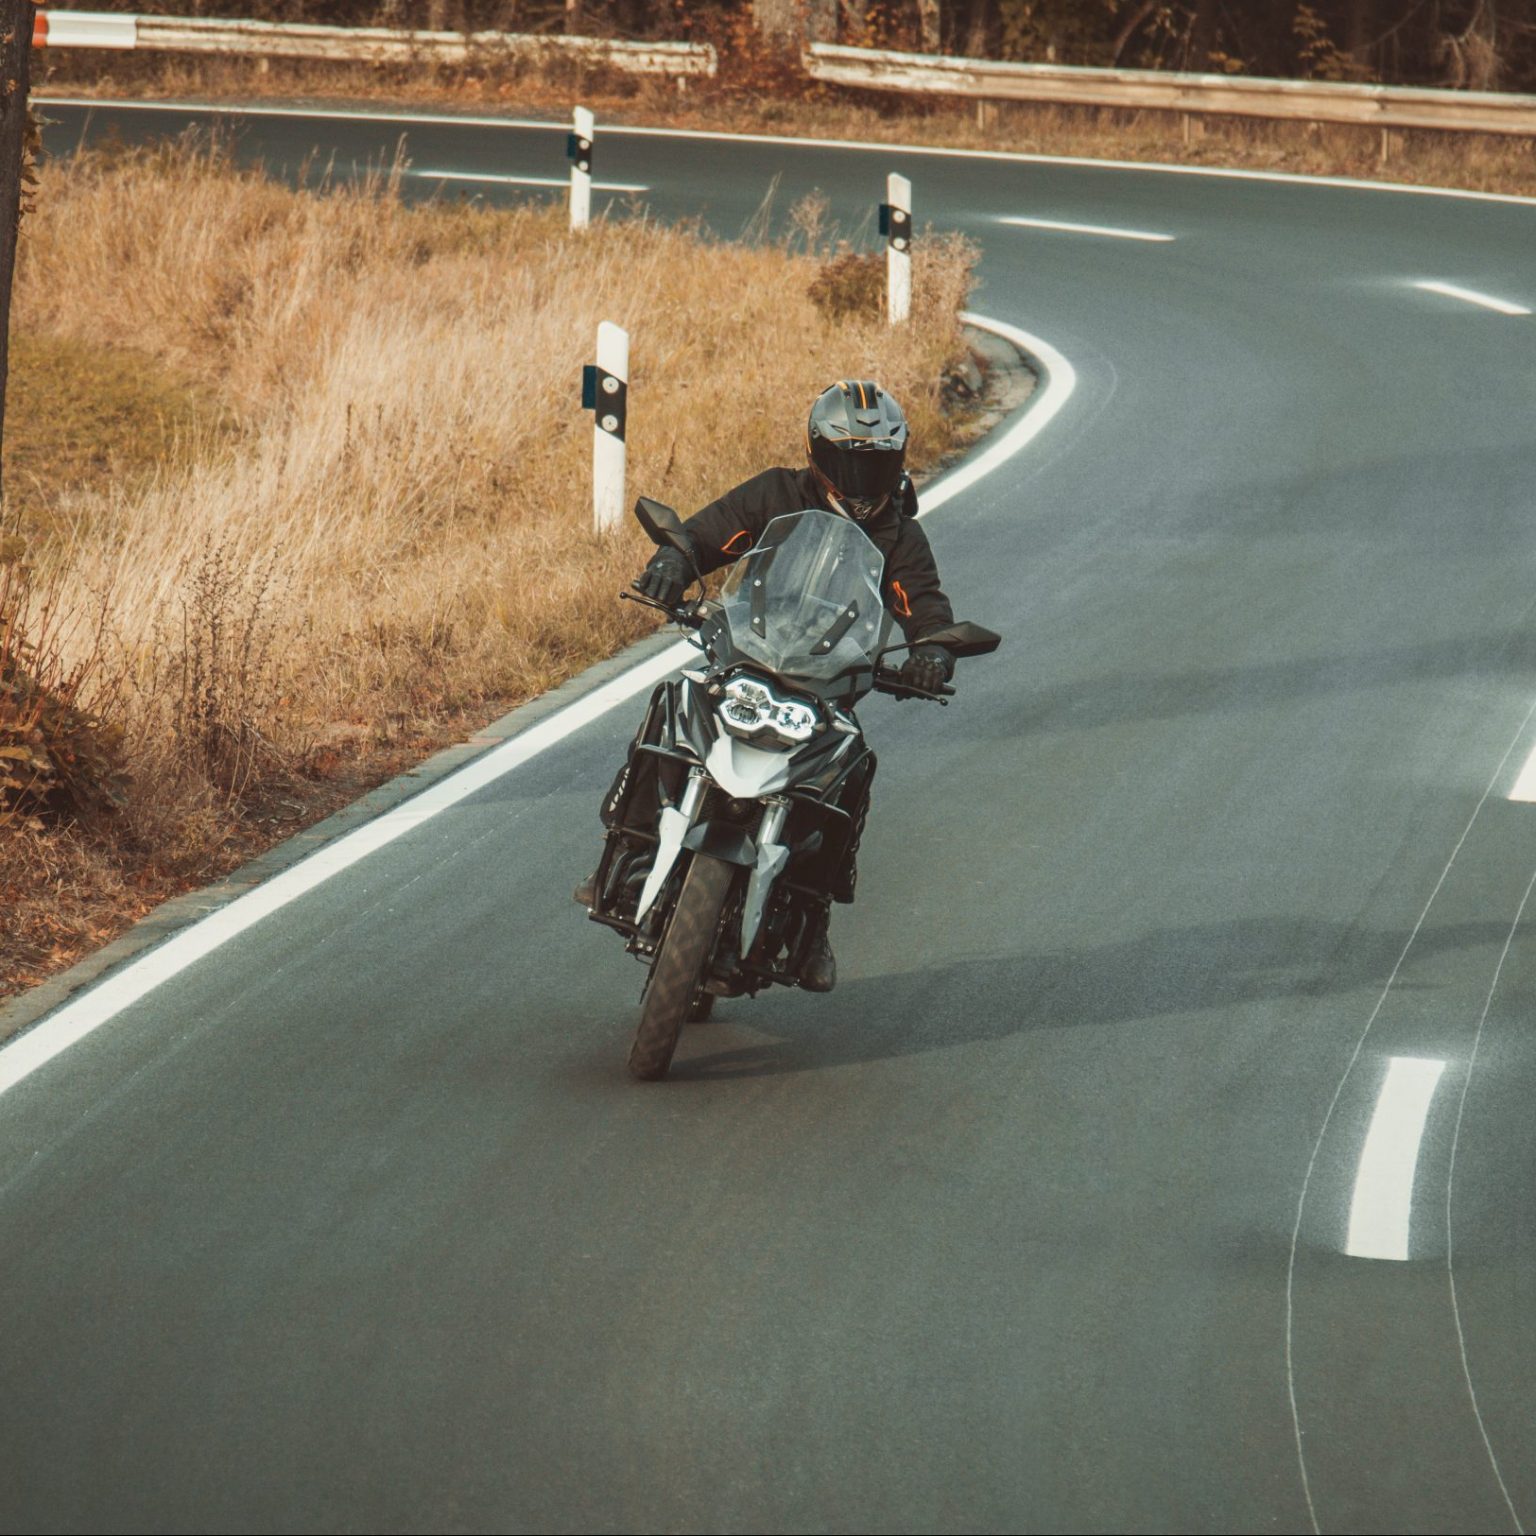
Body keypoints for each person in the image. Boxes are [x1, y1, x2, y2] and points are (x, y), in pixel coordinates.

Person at [588, 379, 960, 993]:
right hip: (745, 658)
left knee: (852, 768)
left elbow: (922, 602)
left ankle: (812, 923)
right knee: (672, 704)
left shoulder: (900, 535)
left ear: (897, 460)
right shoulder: (776, 493)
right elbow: (709, 533)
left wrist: (934, 651)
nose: (862, 477)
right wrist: (674, 560)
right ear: (817, 452)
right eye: (849, 460)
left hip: (825, 688)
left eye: (876, 462)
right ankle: (627, 848)